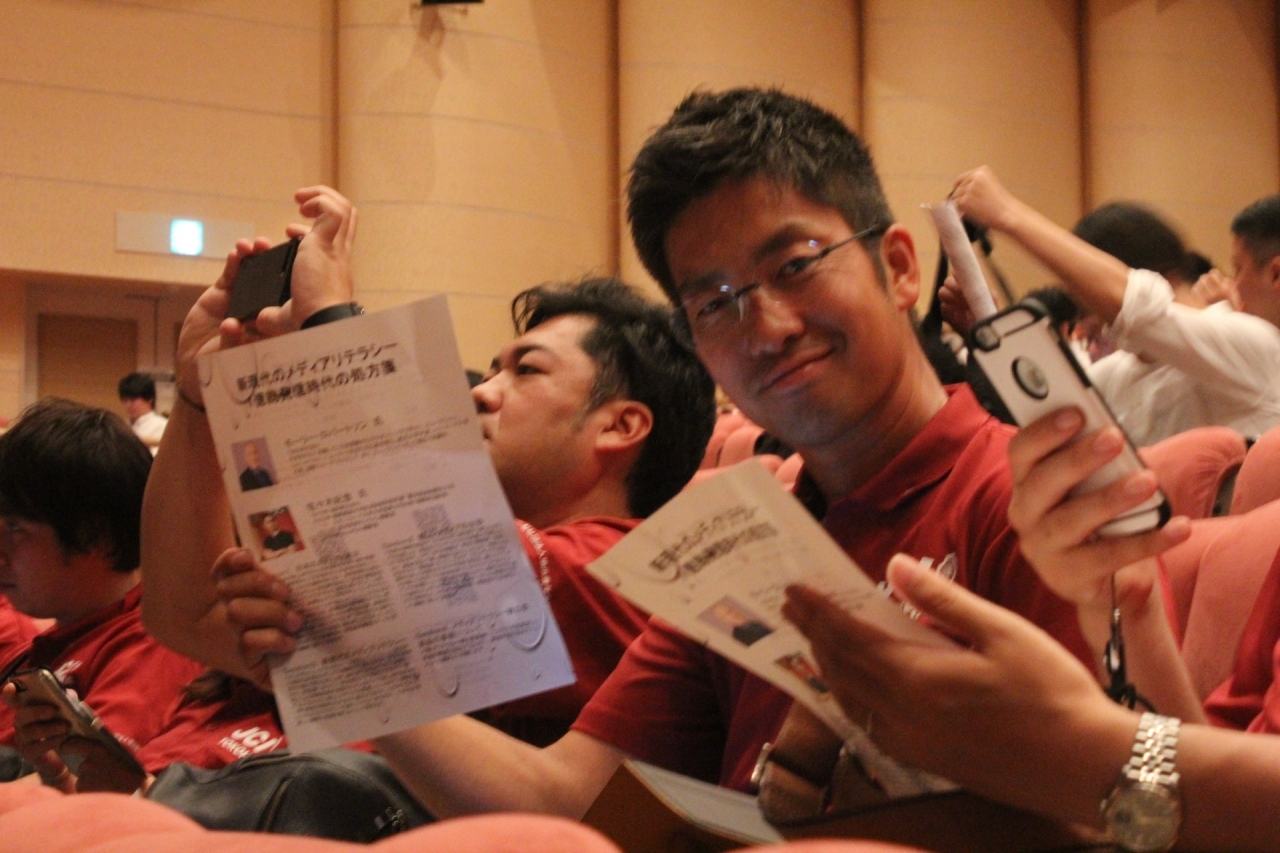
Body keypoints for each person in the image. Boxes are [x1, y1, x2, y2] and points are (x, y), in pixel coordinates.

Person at [215, 87, 1101, 821]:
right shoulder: (735, 543)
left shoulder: (1027, 494)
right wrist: (333, 656)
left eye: (796, 265)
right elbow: (561, 801)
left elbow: (1105, 805)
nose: (766, 327)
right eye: (713, 302)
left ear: (900, 267)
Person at [139, 185, 718, 749]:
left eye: (527, 371)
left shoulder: (622, 570)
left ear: (621, 426)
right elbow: (189, 615)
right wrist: (198, 395)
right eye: (492, 371)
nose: (481, 392)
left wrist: (329, 321)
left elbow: (410, 532)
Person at [951, 167, 1280, 446]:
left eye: (1239, 268)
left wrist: (1007, 212)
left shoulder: (1256, 343)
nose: (1089, 323)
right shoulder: (1115, 374)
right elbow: (1041, 415)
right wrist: (983, 328)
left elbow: (1137, 309)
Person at [0, 399, 204, 790]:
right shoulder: (62, 635)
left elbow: (93, 792)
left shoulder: (152, 646)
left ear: (96, 536)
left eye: (16, 529)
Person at [118, 373, 167, 454]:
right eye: (125, 400)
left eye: (133, 400)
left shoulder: (163, 426)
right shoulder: (122, 425)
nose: (128, 405)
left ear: (149, 399)